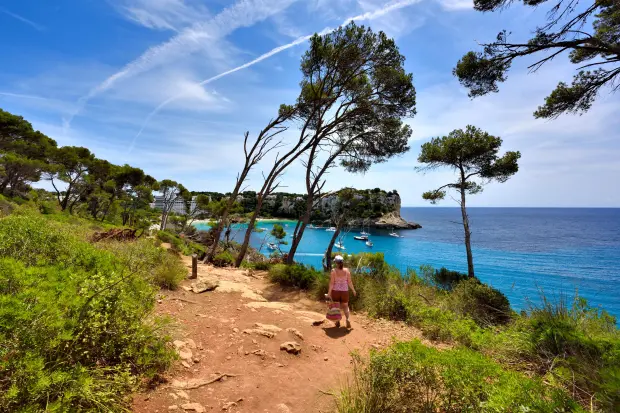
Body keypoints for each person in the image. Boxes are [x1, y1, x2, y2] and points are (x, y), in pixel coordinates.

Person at [328, 255, 356, 328]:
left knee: (336, 307)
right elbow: (349, 282)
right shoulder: (347, 271)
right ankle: (347, 319)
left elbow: (331, 283)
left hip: (335, 291)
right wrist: (353, 290)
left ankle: (337, 322)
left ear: (336, 263)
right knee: (346, 307)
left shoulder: (333, 271)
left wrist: (329, 293)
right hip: (344, 291)